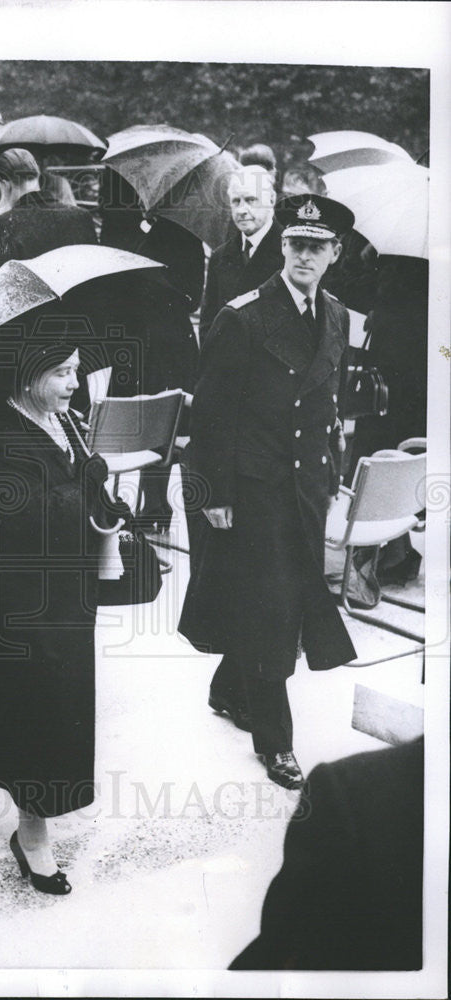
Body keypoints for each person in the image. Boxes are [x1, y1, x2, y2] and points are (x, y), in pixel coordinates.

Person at [178, 194, 357, 790]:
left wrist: (332, 475)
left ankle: (229, 689)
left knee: (278, 601)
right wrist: (215, 495)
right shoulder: (244, 316)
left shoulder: (337, 315)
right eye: (296, 244)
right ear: (282, 249)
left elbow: (328, 404)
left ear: (334, 255)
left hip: (306, 487)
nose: (305, 256)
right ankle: (275, 743)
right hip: (254, 489)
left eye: (317, 247)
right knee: (273, 610)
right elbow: (211, 417)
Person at [0, 335, 124, 894]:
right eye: (61, 373)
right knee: (36, 709)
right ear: (28, 377)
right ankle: (31, 837)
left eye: (76, 370)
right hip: (20, 598)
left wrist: (104, 496)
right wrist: (84, 484)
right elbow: (17, 520)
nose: (74, 383)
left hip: (68, 591)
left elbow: (77, 490)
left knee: (49, 703)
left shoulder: (67, 421)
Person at [230, 737, 423, 970]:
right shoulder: (349, 791)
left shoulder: (345, 791)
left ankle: (269, 735)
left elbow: (284, 933)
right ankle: (265, 732)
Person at [198, 164, 284, 345]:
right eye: (236, 201)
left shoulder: (290, 253)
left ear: (271, 199)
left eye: (251, 200)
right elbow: (208, 323)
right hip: (227, 367)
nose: (241, 210)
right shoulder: (220, 256)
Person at [0, 148, 97, 271]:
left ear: (6, 184)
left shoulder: (2, 225)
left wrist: (3, 217)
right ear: (36, 175)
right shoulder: (82, 216)